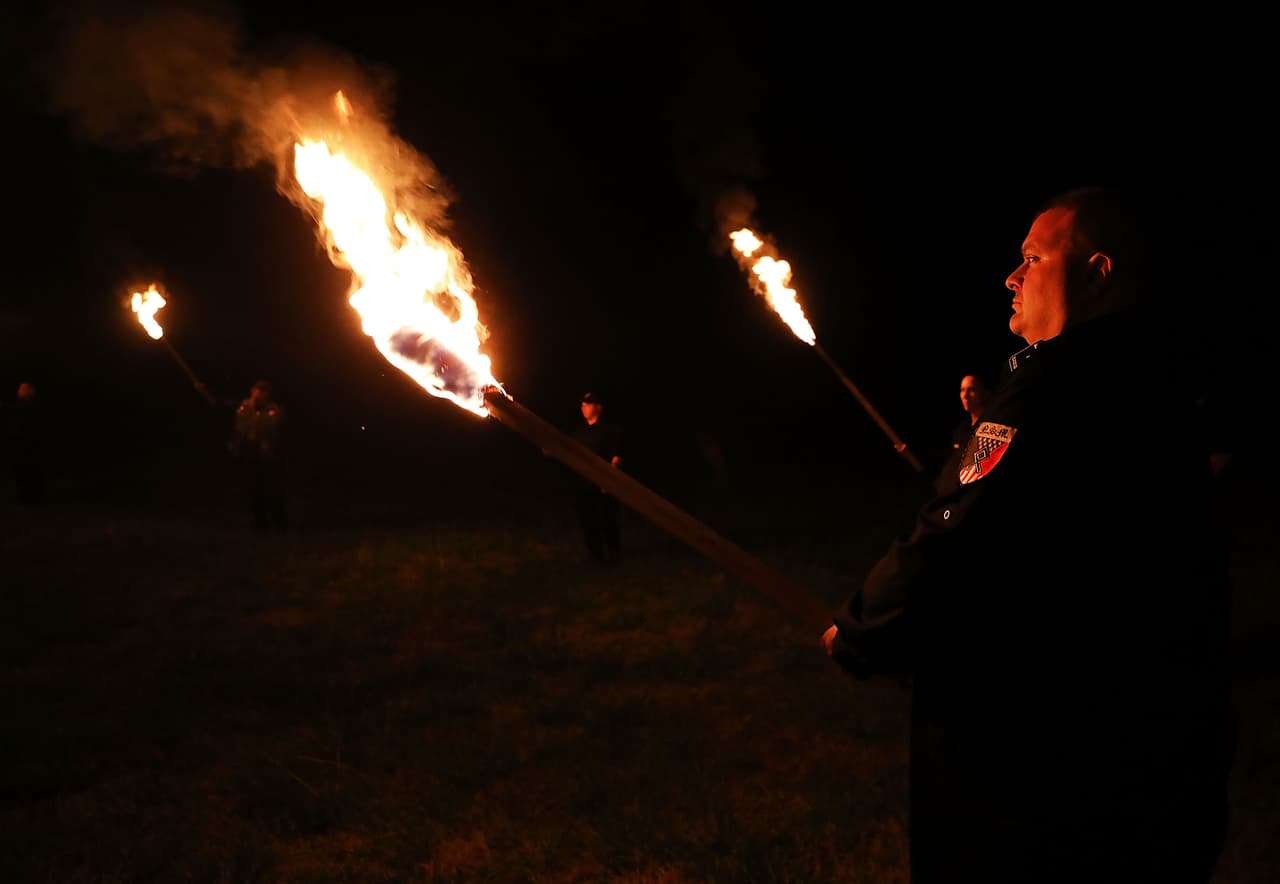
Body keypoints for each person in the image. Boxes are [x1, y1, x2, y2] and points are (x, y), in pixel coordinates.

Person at [822, 186, 1234, 882]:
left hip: (1038, 770)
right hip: (1164, 758)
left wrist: (864, 628)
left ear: (1097, 274)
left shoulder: (1054, 386)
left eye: (1034, 258)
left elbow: (958, 528)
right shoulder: (1163, 381)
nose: (1012, 278)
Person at [571, 390, 624, 565]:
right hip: (583, 484)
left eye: (588, 404)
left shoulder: (609, 430)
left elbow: (616, 457)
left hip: (603, 485)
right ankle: (595, 555)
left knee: (607, 520)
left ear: (598, 408)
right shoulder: (580, 431)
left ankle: (614, 554)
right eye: (582, 404)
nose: (583, 407)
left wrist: (609, 481)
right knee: (588, 520)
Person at [231, 379, 287, 533]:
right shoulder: (244, 407)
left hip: (269, 454)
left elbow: (269, 426)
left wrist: (256, 414)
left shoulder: (274, 409)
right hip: (250, 452)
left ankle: (281, 525)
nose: (258, 396)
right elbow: (241, 426)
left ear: (267, 395)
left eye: (262, 393)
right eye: (256, 392)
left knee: (273, 491)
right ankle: (261, 526)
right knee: (254, 491)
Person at [6, 381, 46, 505]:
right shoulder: (20, 407)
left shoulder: (30, 407)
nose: (18, 391)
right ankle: (27, 496)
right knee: (23, 471)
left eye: (22, 389)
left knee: (28, 470)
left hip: (28, 445)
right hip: (22, 444)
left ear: (29, 392)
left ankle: (30, 497)